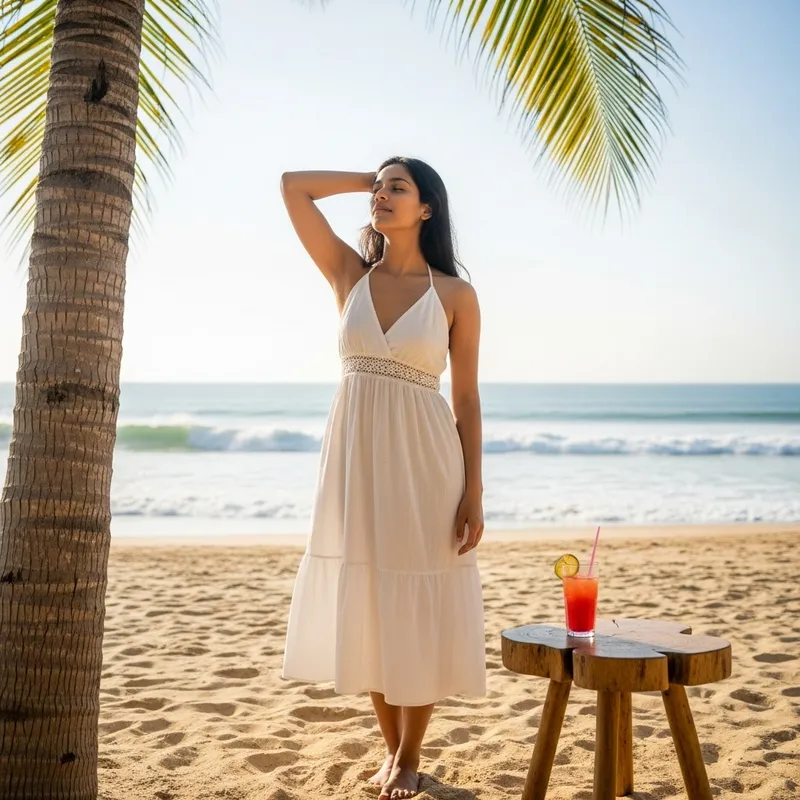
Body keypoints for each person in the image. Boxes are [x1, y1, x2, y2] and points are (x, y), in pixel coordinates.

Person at [280, 157, 486, 799]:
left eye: (399, 187)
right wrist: (364, 176)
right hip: (356, 459)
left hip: (428, 462)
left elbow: (469, 399)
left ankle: (408, 755)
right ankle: (390, 747)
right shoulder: (350, 275)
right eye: (380, 187)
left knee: (418, 599)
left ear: (427, 207)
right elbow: (294, 188)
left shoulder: (454, 295)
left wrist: (474, 489)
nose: (383, 196)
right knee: (369, 598)